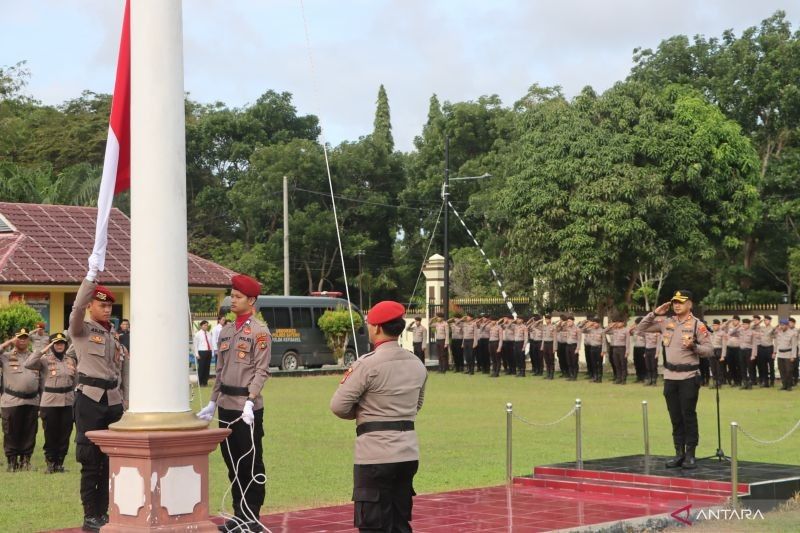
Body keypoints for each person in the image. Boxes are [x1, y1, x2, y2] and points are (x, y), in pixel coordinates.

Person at [330, 300, 427, 533]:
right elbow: (416, 405)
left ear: (377, 328)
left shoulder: (367, 364)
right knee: (399, 523)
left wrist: (364, 412)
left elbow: (338, 406)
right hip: (407, 453)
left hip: (375, 455)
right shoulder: (417, 364)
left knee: (373, 525)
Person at [197, 274, 271, 533]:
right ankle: (240, 514)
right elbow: (220, 370)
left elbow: (261, 371)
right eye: (232, 296)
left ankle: (252, 517)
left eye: (238, 297)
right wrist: (212, 401)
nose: (232, 300)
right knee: (232, 462)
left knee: (250, 464)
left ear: (251, 300)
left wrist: (251, 401)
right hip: (226, 404)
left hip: (246, 407)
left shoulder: (260, 332)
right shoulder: (226, 330)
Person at [70, 264, 127, 533]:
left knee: (110, 461)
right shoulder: (81, 330)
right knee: (91, 461)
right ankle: (90, 515)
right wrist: (89, 279)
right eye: (102, 305)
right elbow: (76, 309)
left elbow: (119, 371)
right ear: (91, 304)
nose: (107, 310)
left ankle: (104, 512)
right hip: (90, 400)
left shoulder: (112, 336)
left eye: (109, 307)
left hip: (112, 400)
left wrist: (124, 401)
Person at [637, 290, 713, 470]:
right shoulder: (666, 322)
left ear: (690, 304)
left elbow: (710, 349)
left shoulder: (697, 325)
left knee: (688, 415)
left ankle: (690, 454)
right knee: (675, 417)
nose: (676, 305)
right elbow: (640, 329)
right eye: (674, 302)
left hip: (688, 377)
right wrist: (655, 313)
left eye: (681, 302)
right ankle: (678, 453)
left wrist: (694, 346)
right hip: (670, 377)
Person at [24, 332, 76, 473]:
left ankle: (60, 463)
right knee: (51, 433)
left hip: (67, 401)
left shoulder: (70, 360)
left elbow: (74, 381)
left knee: (65, 434)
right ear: (51, 345)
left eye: (62, 343)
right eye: (56, 343)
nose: (59, 346)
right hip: (50, 402)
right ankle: (50, 463)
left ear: (66, 345)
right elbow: (28, 364)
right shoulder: (45, 360)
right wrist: (43, 350)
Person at [0, 328, 41, 472]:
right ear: (14, 339)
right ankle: (12, 462)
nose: (22, 340)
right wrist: (8, 343)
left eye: (25, 338)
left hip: (32, 401)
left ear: (28, 340)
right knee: (11, 431)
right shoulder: (5, 356)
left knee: (30, 432)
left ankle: (25, 461)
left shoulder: (35, 357)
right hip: (11, 401)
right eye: (19, 337)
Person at [773, 319, 798, 391]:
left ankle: (789, 386)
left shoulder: (792, 333)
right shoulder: (778, 333)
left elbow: (794, 346)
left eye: (783, 325)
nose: (782, 326)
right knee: (781, 370)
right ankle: (784, 385)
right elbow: (775, 342)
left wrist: (793, 356)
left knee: (788, 371)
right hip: (780, 354)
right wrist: (774, 352)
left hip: (788, 354)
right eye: (781, 325)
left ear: (787, 325)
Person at [604, 319, 629, 385]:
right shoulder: (614, 330)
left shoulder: (626, 330)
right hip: (615, 348)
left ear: (623, 323)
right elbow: (604, 331)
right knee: (616, 364)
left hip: (622, 348)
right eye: (617, 323)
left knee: (623, 364)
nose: (618, 324)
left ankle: (623, 379)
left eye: (619, 322)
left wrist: (627, 351)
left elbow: (627, 342)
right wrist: (610, 326)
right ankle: (618, 379)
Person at [754, 316, 775, 387]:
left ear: (770, 321)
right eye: (765, 320)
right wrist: (760, 321)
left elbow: (776, 338)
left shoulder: (773, 328)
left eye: (767, 320)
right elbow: (753, 327)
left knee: (771, 366)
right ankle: (765, 381)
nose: (765, 321)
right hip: (762, 348)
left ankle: (772, 380)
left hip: (769, 348)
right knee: (763, 366)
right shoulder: (761, 328)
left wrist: (774, 352)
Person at [193, 320, 214, 387]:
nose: (206, 326)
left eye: (207, 325)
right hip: (201, 351)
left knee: (207, 367)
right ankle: (200, 382)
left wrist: (212, 352)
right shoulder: (197, 334)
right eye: (204, 325)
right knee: (201, 368)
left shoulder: (209, 333)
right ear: (201, 326)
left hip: (208, 351)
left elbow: (211, 343)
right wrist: (196, 354)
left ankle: (205, 382)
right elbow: (195, 345)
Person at [562, 316, 581, 381]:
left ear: (573, 321)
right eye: (568, 321)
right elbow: (558, 327)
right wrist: (565, 322)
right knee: (568, 361)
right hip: (568, 346)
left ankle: (575, 376)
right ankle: (571, 375)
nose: (568, 322)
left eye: (570, 321)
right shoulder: (566, 328)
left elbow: (579, 340)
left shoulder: (577, 329)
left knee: (574, 362)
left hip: (574, 346)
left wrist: (577, 349)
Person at [709, 320, 726, 388]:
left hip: (719, 350)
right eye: (713, 325)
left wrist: (723, 356)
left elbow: (724, 345)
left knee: (719, 368)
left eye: (715, 325)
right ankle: (715, 382)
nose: (714, 327)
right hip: (712, 351)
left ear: (719, 325)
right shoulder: (711, 333)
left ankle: (719, 383)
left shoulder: (722, 333)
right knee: (713, 368)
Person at [630, 318, 647, 383]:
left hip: (643, 348)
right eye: (636, 323)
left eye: (637, 323)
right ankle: (638, 377)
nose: (636, 325)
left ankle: (644, 377)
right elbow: (629, 331)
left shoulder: (645, 330)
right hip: (636, 348)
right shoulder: (635, 331)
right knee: (636, 362)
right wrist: (633, 326)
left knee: (643, 362)